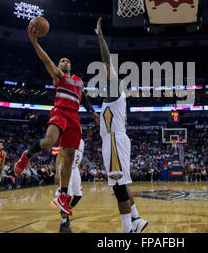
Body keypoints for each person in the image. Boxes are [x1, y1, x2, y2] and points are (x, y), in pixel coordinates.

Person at [14, 23, 99, 217]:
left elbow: (83, 98)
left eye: (67, 61)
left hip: (75, 117)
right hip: (60, 112)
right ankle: (27, 155)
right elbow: (46, 60)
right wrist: (34, 41)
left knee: (68, 158)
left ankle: (62, 195)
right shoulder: (58, 76)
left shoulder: (78, 81)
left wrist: (92, 112)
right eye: (62, 61)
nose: (65, 62)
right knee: (49, 141)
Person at [94, 17, 148, 233]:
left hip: (115, 141)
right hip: (113, 141)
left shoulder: (116, 92)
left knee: (118, 189)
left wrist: (100, 37)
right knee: (121, 184)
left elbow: (106, 60)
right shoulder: (109, 100)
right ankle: (136, 220)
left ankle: (128, 231)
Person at [55, 139, 85, 233]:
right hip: (65, 168)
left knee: (78, 195)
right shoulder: (69, 137)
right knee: (66, 196)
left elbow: (78, 158)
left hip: (75, 170)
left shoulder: (82, 142)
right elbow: (59, 155)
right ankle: (64, 223)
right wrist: (57, 173)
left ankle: (65, 211)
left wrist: (78, 171)